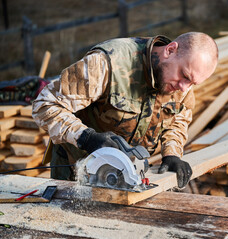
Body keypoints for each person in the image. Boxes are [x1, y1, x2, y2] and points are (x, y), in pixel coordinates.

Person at [32, 32, 218, 188]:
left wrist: (172, 154)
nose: (184, 87)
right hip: (77, 170)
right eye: (184, 76)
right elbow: (45, 105)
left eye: (192, 83)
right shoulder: (108, 63)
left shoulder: (182, 81)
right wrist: (85, 137)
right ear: (170, 50)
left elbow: (178, 120)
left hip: (127, 176)